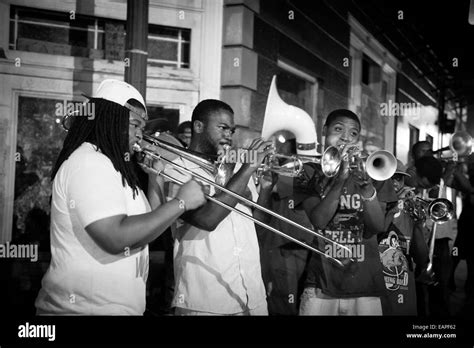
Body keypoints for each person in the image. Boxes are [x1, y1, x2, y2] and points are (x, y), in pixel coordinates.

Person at [35, 79, 206, 315]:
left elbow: (147, 229)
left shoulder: (113, 167)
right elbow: (115, 238)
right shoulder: (89, 162)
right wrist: (181, 202)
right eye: (135, 125)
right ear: (110, 119)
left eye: (142, 127)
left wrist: (155, 178)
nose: (140, 135)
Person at [164, 99, 274, 315]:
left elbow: (260, 224)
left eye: (231, 130)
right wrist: (248, 168)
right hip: (206, 301)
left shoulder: (237, 169)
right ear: (198, 126)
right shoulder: (177, 168)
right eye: (222, 128)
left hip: (252, 296)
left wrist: (268, 187)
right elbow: (207, 220)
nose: (229, 135)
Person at [297, 109, 386, 315]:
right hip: (321, 282)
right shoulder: (308, 171)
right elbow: (319, 220)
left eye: (353, 133)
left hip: (365, 283)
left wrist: (366, 189)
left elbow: (376, 227)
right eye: (338, 129)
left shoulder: (372, 173)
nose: (346, 137)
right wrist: (341, 179)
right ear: (324, 130)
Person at [378, 159, 430, 315]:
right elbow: (375, 236)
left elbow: (422, 258)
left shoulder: (409, 209)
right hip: (374, 287)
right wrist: (394, 205)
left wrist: (419, 226)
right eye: (390, 177)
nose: (395, 182)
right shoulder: (370, 207)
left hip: (403, 287)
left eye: (399, 178)